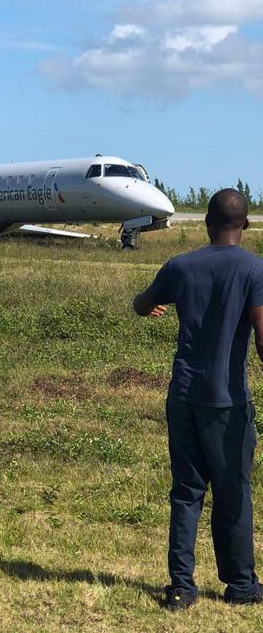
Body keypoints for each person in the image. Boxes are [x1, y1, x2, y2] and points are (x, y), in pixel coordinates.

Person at [133, 189, 263, 610]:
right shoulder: (254, 270)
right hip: (227, 400)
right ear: (245, 224)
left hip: (184, 395)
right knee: (233, 492)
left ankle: (181, 587)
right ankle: (241, 585)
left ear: (207, 223)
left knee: (187, 491)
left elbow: (142, 303)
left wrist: (151, 305)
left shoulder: (181, 267)